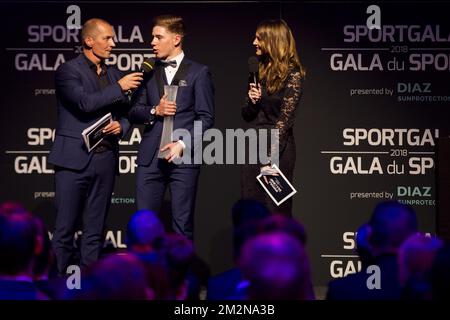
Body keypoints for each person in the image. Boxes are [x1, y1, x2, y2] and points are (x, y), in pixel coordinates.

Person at [49, 18, 143, 275]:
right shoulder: (68, 71)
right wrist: (120, 87)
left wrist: (121, 127)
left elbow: (127, 113)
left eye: (113, 39)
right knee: (65, 229)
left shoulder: (112, 74)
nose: (113, 44)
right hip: (73, 160)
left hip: (104, 160)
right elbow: (84, 104)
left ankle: (89, 287)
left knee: (94, 231)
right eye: (107, 38)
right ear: (89, 41)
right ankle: (57, 286)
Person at [129, 15, 214, 240]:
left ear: (176, 39)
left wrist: (182, 144)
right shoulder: (148, 71)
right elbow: (134, 111)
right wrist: (154, 110)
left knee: (182, 226)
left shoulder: (199, 72)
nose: (152, 42)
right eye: (152, 37)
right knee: (143, 229)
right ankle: (147, 275)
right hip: (149, 159)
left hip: (183, 160)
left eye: (159, 37)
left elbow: (206, 118)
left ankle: (182, 276)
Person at [241, 19, 305, 216]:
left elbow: (285, 120)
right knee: (251, 205)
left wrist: (269, 158)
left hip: (278, 145)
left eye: (258, 38)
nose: (254, 42)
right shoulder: (258, 71)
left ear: (273, 41)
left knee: (275, 207)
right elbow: (247, 115)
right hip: (254, 143)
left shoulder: (293, 75)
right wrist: (252, 101)